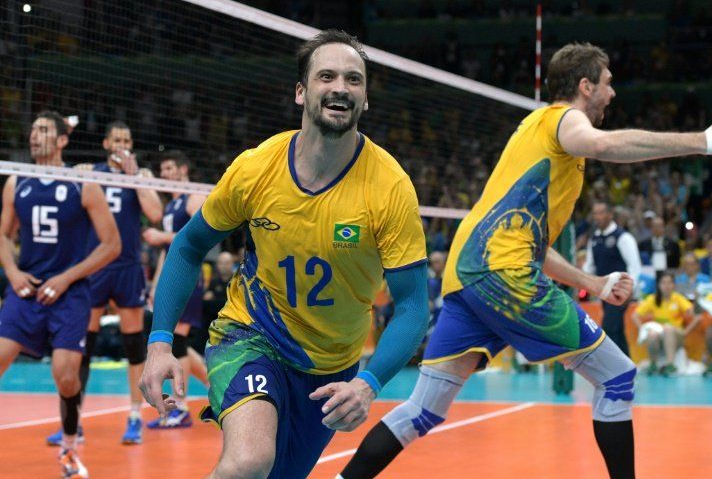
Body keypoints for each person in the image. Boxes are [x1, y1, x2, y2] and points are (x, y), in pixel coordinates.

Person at [338, 42, 712, 479]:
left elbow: (533, 246)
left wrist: (595, 283)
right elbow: (601, 143)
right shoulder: (564, 120)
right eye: (607, 84)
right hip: (503, 275)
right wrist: (702, 141)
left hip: (469, 273)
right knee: (618, 378)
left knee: (423, 410)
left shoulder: (539, 137)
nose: (613, 93)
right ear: (585, 86)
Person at [139, 29, 430, 478]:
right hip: (252, 334)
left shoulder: (390, 188)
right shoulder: (257, 168)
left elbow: (412, 305)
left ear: (366, 99)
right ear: (301, 92)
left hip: (330, 368)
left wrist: (369, 384)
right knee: (250, 461)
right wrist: (159, 343)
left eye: (354, 80)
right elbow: (188, 245)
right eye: (326, 76)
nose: (339, 87)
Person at [0, 110, 121, 478]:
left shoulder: (82, 185)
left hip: (70, 294)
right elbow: (4, 236)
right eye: (32, 129)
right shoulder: (16, 182)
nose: (34, 136)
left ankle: (69, 449)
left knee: (65, 374)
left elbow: (111, 245)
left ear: (62, 140)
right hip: (26, 289)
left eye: (43, 130)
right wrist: (14, 271)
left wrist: (67, 278)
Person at [46, 121, 163, 446]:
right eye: (117, 139)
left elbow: (154, 214)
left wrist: (135, 175)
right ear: (106, 143)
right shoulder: (90, 173)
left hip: (127, 269)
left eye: (127, 139)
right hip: (94, 268)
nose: (122, 144)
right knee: (84, 347)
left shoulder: (139, 175)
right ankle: (74, 421)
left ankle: (135, 417)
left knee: (132, 346)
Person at [142, 150, 207, 428]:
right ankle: (218, 389)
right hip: (172, 278)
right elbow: (165, 254)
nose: (166, 174)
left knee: (178, 341)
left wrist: (160, 236)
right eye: (163, 169)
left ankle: (181, 408)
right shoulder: (170, 206)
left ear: (183, 170)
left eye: (169, 168)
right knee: (180, 340)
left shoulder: (193, 197)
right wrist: (156, 286)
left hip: (189, 278)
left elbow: (201, 234)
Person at [584, 201, 642, 357]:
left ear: (610, 214)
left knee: (609, 326)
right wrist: (585, 284)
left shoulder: (623, 237)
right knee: (616, 328)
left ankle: (616, 367)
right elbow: (589, 266)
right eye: (595, 213)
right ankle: (627, 364)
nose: (598, 217)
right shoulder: (594, 239)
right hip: (603, 292)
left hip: (619, 291)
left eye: (601, 212)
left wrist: (630, 290)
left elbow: (635, 266)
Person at [632, 271, 699, 375]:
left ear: (673, 285)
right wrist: (643, 330)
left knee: (668, 328)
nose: (666, 286)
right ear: (659, 285)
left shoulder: (678, 298)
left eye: (669, 283)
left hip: (677, 335)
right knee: (651, 334)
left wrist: (685, 331)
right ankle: (653, 364)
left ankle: (670, 365)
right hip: (660, 336)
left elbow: (696, 316)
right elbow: (635, 316)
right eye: (663, 283)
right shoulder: (652, 299)